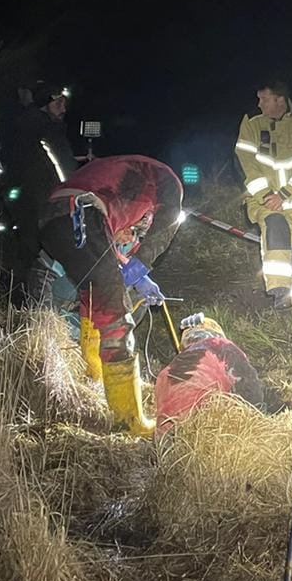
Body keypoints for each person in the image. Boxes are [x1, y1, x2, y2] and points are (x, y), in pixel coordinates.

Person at [38, 155, 184, 435]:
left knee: (93, 303)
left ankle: (94, 379)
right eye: (134, 233)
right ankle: (128, 422)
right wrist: (140, 267)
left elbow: (107, 252)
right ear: (145, 218)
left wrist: (132, 273)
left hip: (53, 216)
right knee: (116, 316)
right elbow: (165, 229)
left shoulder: (120, 175)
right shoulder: (166, 182)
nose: (132, 239)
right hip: (81, 216)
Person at [234, 81, 292, 308]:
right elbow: (245, 162)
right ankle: (280, 296)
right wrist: (268, 195)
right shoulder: (252, 124)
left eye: (264, 99)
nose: (259, 104)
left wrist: (285, 194)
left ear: (280, 100)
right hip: (264, 201)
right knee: (275, 228)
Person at [0, 81, 77, 290]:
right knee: (40, 251)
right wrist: (73, 191)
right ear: (44, 103)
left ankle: (30, 297)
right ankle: (36, 303)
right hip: (40, 199)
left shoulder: (32, 125)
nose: (63, 108)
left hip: (32, 197)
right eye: (58, 103)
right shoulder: (41, 128)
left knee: (32, 249)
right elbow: (62, 166)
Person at [153, 313, 267, 435]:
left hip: (168, 441)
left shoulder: (164, 374)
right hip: (204, 433)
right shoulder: (221, 347)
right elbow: (250, 389)